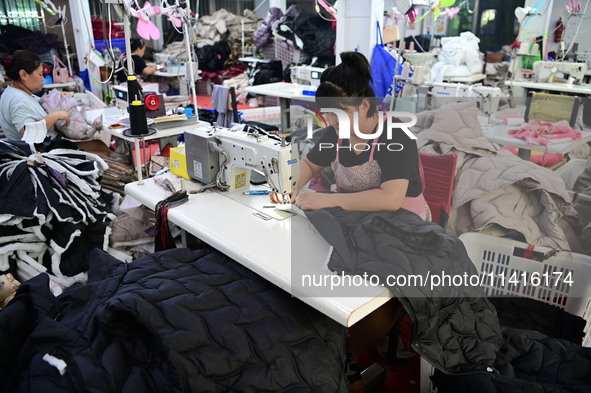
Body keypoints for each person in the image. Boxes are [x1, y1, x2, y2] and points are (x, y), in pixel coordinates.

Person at [273, 51, 431, 393]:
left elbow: (390, 199)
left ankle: (347, 358)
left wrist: (327, 199)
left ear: (363, 106)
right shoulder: (335, 134)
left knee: (388, 287)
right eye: (326, 116)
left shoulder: (395, 138)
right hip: (357, 221)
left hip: (403, 226)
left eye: (337, 114)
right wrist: (285, 187)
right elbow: (307, 168)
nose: (331, 123)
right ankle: (325, 345)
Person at [0, 50, 70, 141]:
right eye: (40, 74)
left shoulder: (14, 92)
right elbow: (28, 134)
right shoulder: (18, 99)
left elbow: (37, 103)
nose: (43, 78)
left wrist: (58, 97)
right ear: (23, 75)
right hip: (42, 152)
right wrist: (55, 116)